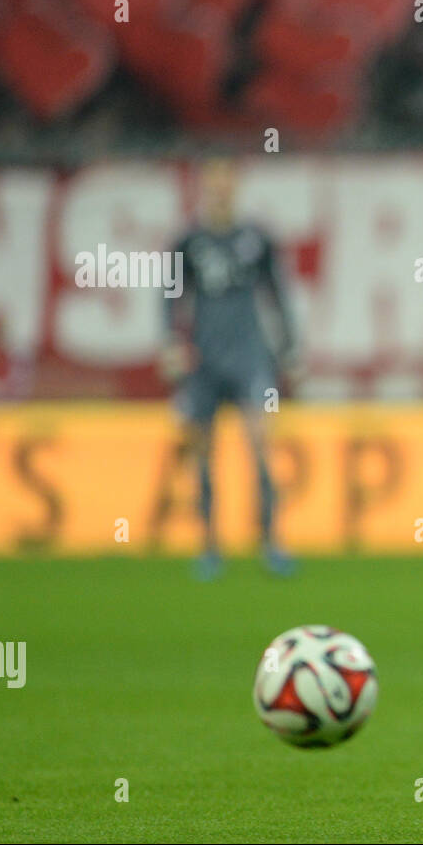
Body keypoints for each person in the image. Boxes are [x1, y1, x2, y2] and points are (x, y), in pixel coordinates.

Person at [160, 159, 299, 579]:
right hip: (203, 358)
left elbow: (277, 293)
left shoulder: (256, 239)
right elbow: (170, 296)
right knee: (203, 452)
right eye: (213, 182)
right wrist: (171, 342)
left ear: (235, 187)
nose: (220, 189)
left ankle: (271, 541)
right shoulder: (187, 242)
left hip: (249, 354)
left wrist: (289, 343)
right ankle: (209, 544)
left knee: (259, 444)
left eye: (226, 181)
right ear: (204, 188)